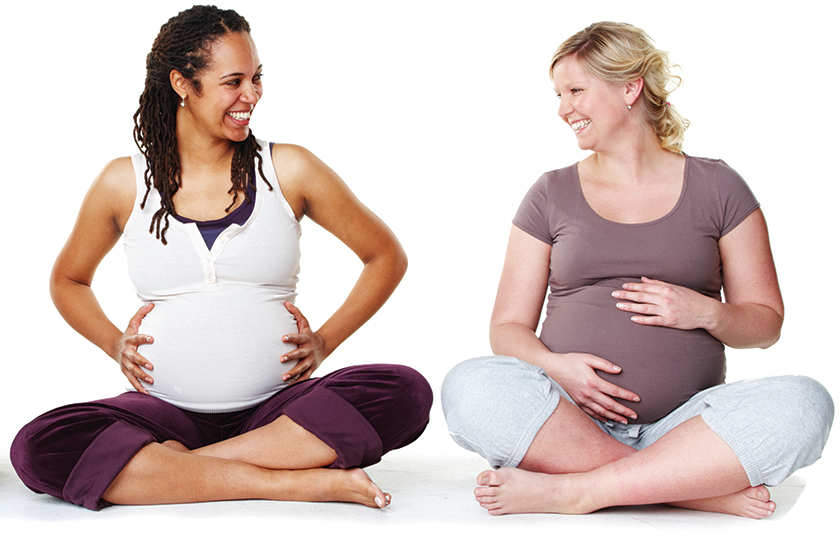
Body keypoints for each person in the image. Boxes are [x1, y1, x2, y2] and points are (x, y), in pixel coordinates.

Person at [11, 5, 432, 511]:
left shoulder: (288, 168)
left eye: (257, 78)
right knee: (39, 445)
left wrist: (324, 342)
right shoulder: (123, 182)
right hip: (164, 412)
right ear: (183, 84)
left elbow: (385, 256)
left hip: (279, 411)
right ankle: (282, 479)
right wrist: (112, 343)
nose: (251, 96)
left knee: (403, 391)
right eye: (233, 81)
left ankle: (181, 471)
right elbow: (68, 280)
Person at [441, 21, 833, 519]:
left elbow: (765, 326)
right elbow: (507, 329)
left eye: (576, 90)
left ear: (630, 87)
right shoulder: (550, 192)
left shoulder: (719, 186)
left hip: (687, 428)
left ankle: (578, 490)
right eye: (559, 94)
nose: (564, 109)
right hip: (566, 419)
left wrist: (706, 312)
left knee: (806, 403)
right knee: (469, 385)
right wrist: (557, 368)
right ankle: (687, 489)